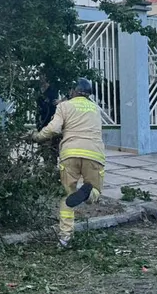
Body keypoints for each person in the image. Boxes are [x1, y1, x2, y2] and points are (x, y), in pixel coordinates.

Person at [30, 78, 105, 248]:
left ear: (74, 91)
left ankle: (65, 239)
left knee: (67, 195)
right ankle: (88, 193)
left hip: (70, 153)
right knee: (96, 191)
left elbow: (54, 128)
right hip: (94, 153)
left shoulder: (64, 106)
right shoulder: (96, 109)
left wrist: (37, 136)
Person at [35, 76, 60, 165]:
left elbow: (70, 94)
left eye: (43, 76)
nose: (41, 78)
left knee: (53, 142)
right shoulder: (38, 89)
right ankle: (46, 161)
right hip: (41, 119)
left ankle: (53, 162)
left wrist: (61, 101)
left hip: (52, 118)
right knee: (43, 142)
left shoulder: (53, 88)